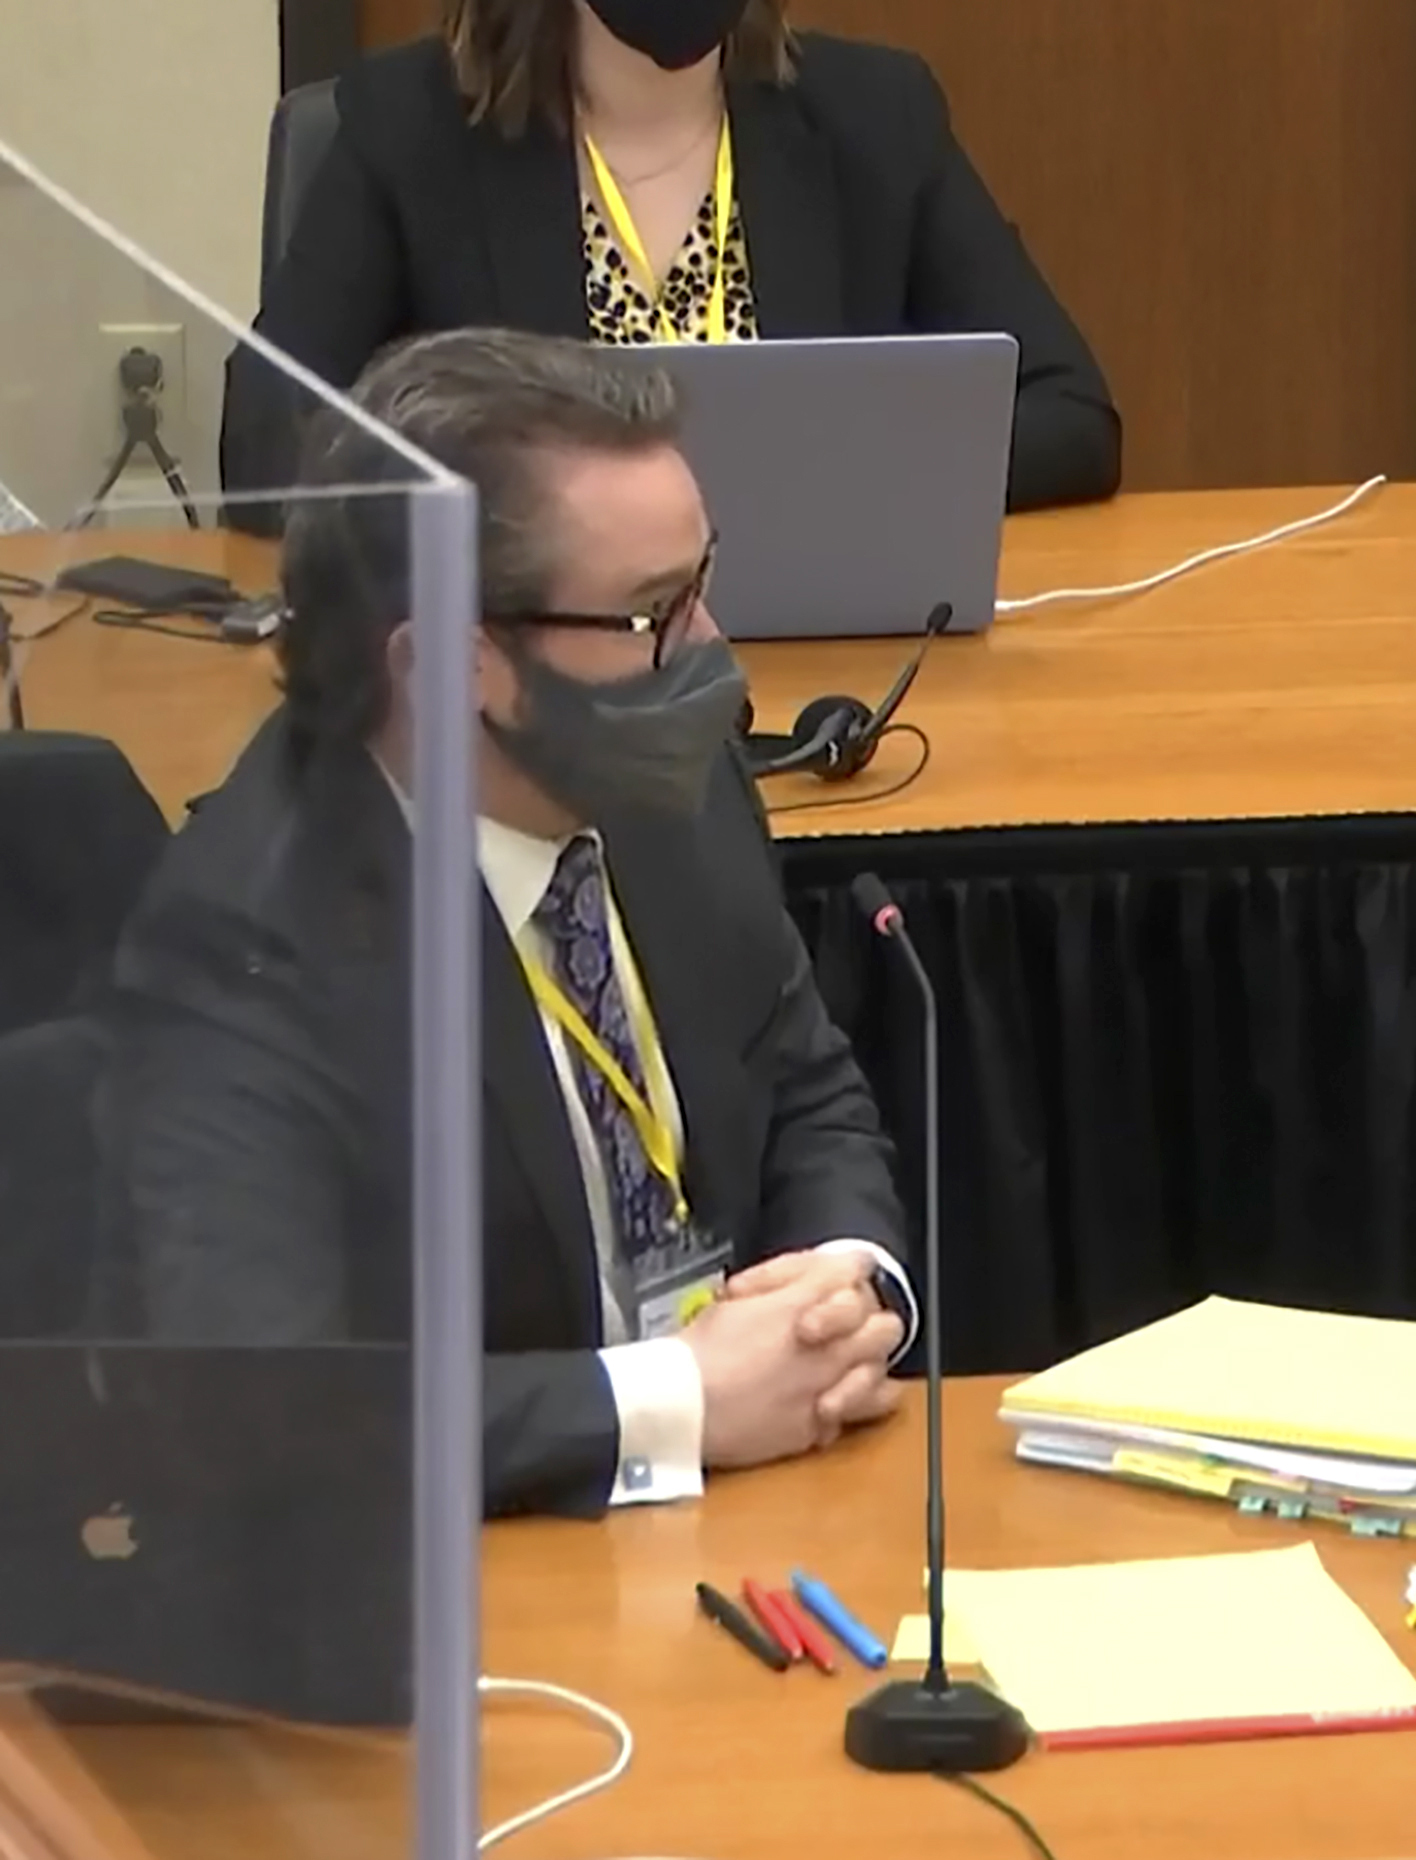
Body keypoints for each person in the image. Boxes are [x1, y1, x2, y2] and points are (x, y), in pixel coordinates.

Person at [105, 328, 916, 1517]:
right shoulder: (245, 950)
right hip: (495, 1564)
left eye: (701, 582)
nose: (709, 647)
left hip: (763, 1506)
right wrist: (674, 1400)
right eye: (653, 611)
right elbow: (269, 1413)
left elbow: (804, 1083)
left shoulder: (675, 788)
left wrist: (843, 1289)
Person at [221, 0, 1120, 526]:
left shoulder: (877, 114)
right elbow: (266, 442)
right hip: (536, 674)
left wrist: (835, 479)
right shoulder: (408, 127)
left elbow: (1071, 416)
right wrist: (533, 517)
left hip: (823, 662)